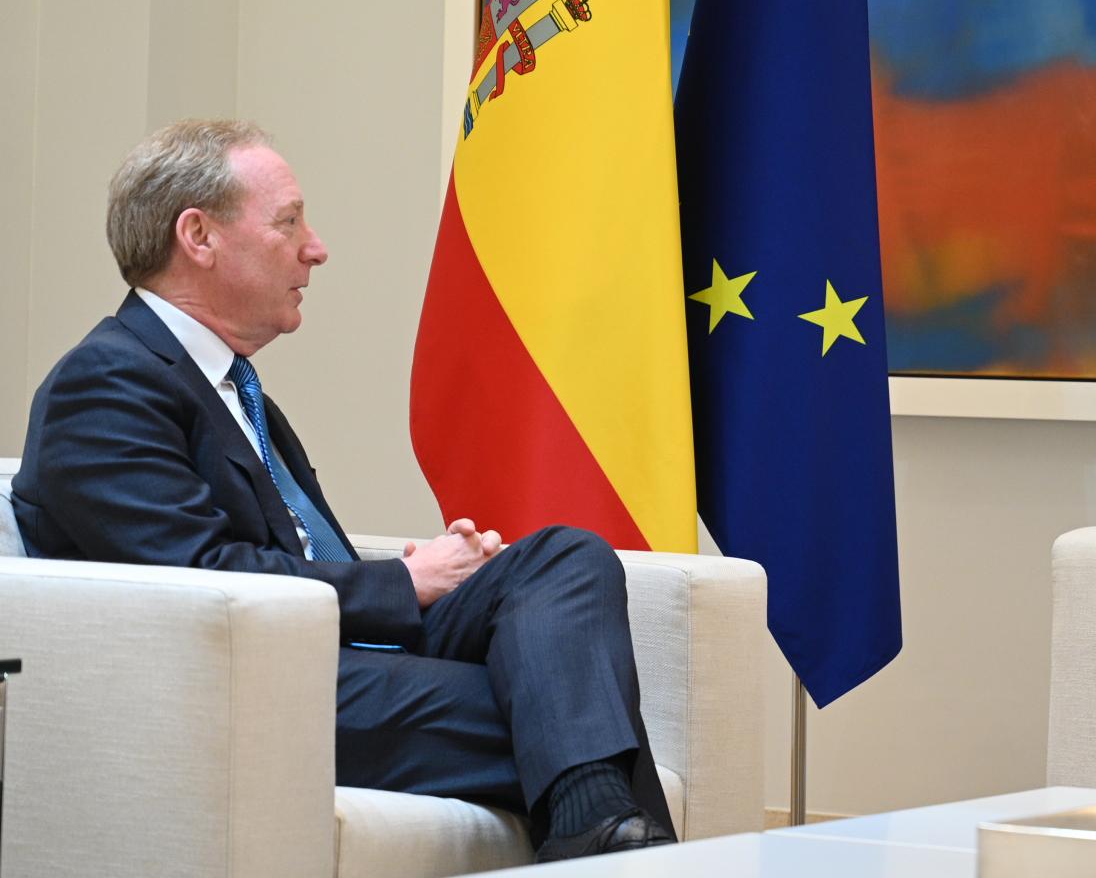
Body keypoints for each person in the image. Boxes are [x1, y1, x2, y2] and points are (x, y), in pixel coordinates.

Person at [9, 119, 674, 861]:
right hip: (256, 681)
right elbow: (199, 577)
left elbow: (289, 545)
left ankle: (595, 833)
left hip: (337, 645)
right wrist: (402, 583)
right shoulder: (105, 384)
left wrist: (429, 577)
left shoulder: (230, 384)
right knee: (574, 712)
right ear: (198, 237)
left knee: (566, 558)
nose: (315, 247)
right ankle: (614, 843)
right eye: (288, 222)